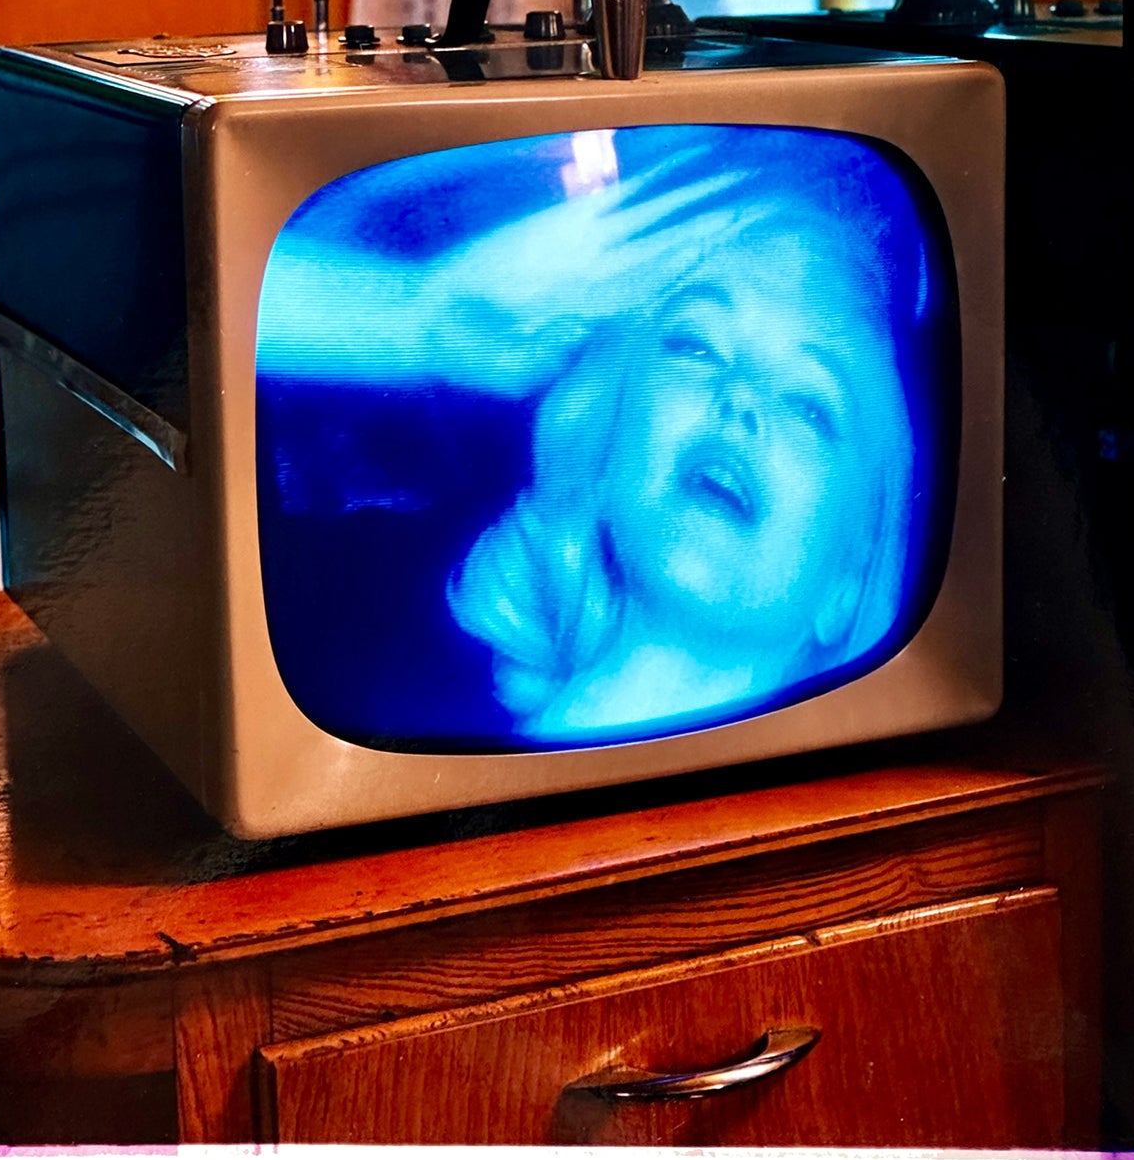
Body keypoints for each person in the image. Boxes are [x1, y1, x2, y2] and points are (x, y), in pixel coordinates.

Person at [257, 124, 939, 744]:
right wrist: (429, 322)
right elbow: (192, 332)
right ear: (609, 442)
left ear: (849, 581)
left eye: (810, 405)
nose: (740, 397)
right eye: (695, 343)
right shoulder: (361, 636)